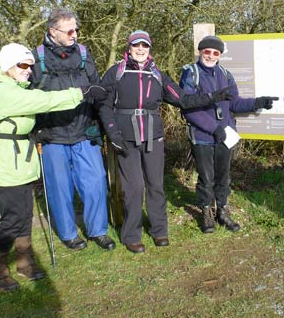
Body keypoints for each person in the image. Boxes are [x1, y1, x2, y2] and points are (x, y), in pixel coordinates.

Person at [0, 43, 106, 291]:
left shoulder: (13, 87)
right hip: (4, 166)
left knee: (25, 214)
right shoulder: (3, 91)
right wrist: (80, 92)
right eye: (23, 65)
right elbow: (44, 100)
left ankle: (25, 263)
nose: (29, 70)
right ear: (8, 66)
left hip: (18, 164)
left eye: (31, 65)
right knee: (12, 219)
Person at [98, 31, 233, 253]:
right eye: (136, 45)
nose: (141, 50)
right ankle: (131, 234)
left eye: (145, 46)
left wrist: (212, 97)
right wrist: (112, 133)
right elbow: (103, 104)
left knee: (155, 184)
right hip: (126, 138)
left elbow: (183, 99)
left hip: (153, 136)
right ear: (129, 47)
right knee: (133, 187)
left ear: (150, 49)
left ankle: (159, 231)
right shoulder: (117, 72)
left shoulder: (156, 74)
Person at [30, 9, 116, 251]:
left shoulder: (84, 54)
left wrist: (105, 126)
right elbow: (27, 96)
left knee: (96, 182)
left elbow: (97, 89)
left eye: (76, 29)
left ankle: (97, 231)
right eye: (69, 30)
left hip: (84, 131)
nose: (75, 34)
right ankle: (68, 234)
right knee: (59, 188)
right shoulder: (36, 59)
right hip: (52, 135)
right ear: (52, 32)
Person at [179, 35, 278, 234]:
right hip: (202, 135)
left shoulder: (225, 74)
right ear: (200, 51)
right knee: (206, 177)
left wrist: (258, 102)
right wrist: (213, 128)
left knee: (223, 177)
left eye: (216, 53)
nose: (211, 55)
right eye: (207, 51)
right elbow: (188, 107)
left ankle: (222, 211)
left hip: (225, 135)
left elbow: (235, 103)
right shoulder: (190, 73)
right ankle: (207, 211)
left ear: (220, 55)